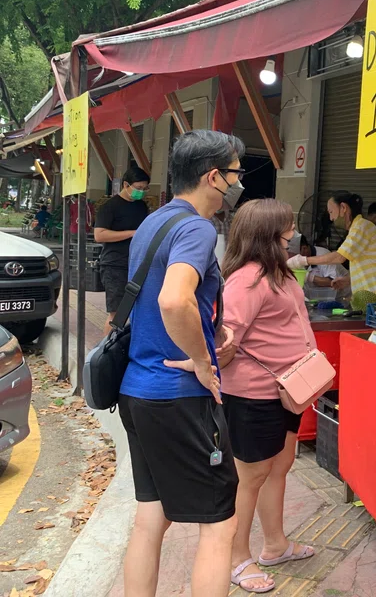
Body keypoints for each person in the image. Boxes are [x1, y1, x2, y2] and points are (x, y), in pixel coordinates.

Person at [118, 130, 245, 597]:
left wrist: (209, 333)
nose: (238, 183)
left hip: (137, 391)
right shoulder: (196, 227)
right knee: (220, 527)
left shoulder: (155, 222)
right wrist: (202, 360)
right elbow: (174, 301)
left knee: (152, 516)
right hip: (178, 398)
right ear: (214, 176)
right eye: (235, 174)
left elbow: (155, 301)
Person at [209, 199, 317, 593]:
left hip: (291, 391)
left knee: (281, 465)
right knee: (250, 476)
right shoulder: (248, 279)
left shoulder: (281, 273)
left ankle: (275, 544)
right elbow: (227, 336)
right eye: (289, 227)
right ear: (270, 233)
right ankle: (237, 557)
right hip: (255, 395)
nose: (294, 233)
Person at [289, 192, 376, 303]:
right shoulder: (358, 228)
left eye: (331, 212)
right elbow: (369, 263)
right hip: (371, 302)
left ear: (343, 207)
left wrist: (302, 260)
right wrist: (350, 280)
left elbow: (339, 257)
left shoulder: (361, 226)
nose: (331, 218)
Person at [95, 166, 151, 335]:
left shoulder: (142, 206)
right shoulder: (109, 207)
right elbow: (100, 235)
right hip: (114, 265)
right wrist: (132, 233)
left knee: (138, 310)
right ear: (126, 185)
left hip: (137, 263)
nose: (141, 192)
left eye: (144, 189)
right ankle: (104, 354)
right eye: (138, 188)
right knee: (117, 313)